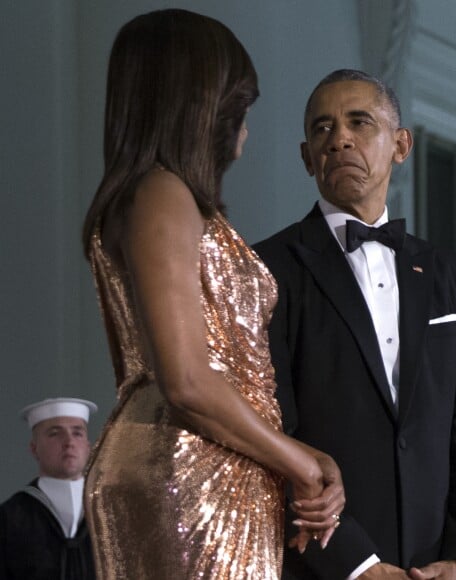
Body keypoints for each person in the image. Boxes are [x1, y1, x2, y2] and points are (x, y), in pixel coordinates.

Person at [81, 9, 344, 580]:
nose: (244, 130)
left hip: (211, 458)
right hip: (189, 465)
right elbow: (188, 382)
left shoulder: (156, 195)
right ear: (199, 104)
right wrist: (297, 461)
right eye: (239, 108)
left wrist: (306, 458)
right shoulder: (160, 193)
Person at [254, 69, 456, 579]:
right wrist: (356, 564)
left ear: (401, 145)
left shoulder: (448, 273)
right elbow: (270, 432)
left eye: (358, 122)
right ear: (306, 158)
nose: (339, 138)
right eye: (322, 129)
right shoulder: (267, 269)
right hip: (323, 564)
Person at [0, 397, 97, 579]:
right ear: (34, 448)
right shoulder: (9, 518)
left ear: (88, 446)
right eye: (55, 433)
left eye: (77, 433)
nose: (69, 442)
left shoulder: (108, 512)